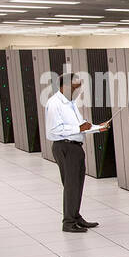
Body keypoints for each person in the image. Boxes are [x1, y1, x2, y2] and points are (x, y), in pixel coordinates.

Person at [45, 72, 106, 233]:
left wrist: (98, 127)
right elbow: (53, 130)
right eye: (76, 86)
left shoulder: (70, 103)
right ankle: (68, 222)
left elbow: (81, 126)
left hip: (75, 148)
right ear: (65, 86)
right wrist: (79, 128)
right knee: (71, 185)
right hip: (65, 147)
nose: (79, 89)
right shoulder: (54, 103)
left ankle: (76, 216)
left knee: (77, 184)